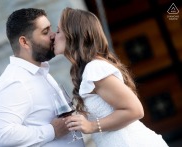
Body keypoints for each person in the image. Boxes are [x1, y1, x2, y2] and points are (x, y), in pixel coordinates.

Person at [53, 7, 169, 147]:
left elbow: (135, 110)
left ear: (73, 34)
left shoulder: (94, 68)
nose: (53, 36)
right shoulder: (86, 71)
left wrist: (91, 126)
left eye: (58, 30)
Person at [0, 8, 84, 147]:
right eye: (45, 32)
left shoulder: (40, 71)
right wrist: (52, 131)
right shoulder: (16, 81)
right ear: (24, 42)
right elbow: (1, 135)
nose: (53, 36)